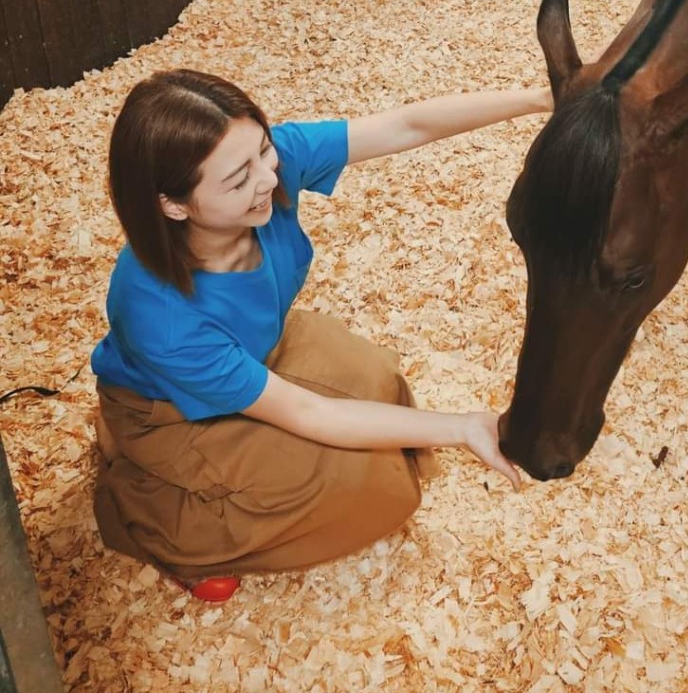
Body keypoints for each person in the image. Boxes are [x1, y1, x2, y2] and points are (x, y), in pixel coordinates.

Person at [92, 68, 550, 601]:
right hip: (167, 406)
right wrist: (464, 426)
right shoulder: (163, 317)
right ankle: (152, 514)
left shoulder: (268, 169)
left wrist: (544, 97)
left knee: (378, 379)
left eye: (264, 149)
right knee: (352, 485)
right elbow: (314, 414)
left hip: (256, 351)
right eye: (237, 179)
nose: (266, 178)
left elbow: (407, 125)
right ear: (172, 205)